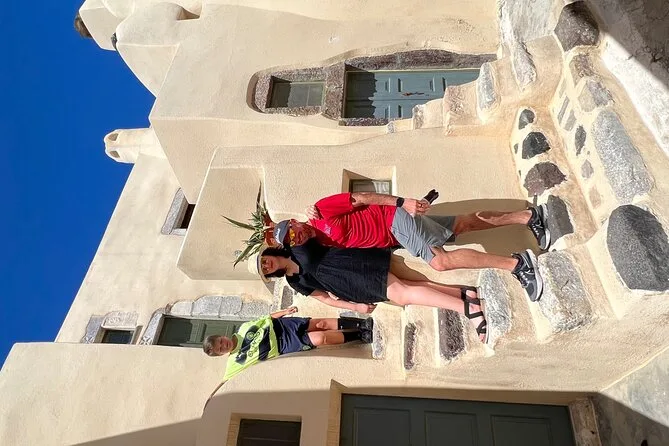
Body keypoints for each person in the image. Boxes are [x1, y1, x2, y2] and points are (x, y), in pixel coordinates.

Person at [272, 191, 549, 301]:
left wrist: (402, 202)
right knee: (462, 224)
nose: (296, 237)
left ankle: (518, 264)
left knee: (440, 262)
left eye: (292, 231)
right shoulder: (320, 244)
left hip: (394, 219)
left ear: (295, 221)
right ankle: (529, 216)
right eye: (291, 241)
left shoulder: (321, 210)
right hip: (397, 236)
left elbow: (362, 197)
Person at [248, 240, 489, 343]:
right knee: (407, 288)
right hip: (352, 285)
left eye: (263, 261)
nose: (267, 266)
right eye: (264, 270)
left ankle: (467, 308)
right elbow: (325, 298)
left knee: (404, 292)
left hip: (354, 263)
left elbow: (320, 233)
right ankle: (464, 295)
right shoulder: (294, 281)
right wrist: (355, 307)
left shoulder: (294, 245)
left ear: (267, 253)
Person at [203, 306, 373, 396]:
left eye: (220, 341)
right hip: (284, 345)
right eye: (220, 349)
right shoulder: (234, 362)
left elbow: (266, 319)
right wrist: (211, 399)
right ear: (220, 354)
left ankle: (361, 324)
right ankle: (360, 336)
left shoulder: (243, 328)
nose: (224, 345)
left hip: (282, 326)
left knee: (319, 323)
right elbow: (225, 383)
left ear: (222, 336)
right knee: (321, 339)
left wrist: (285, 312)